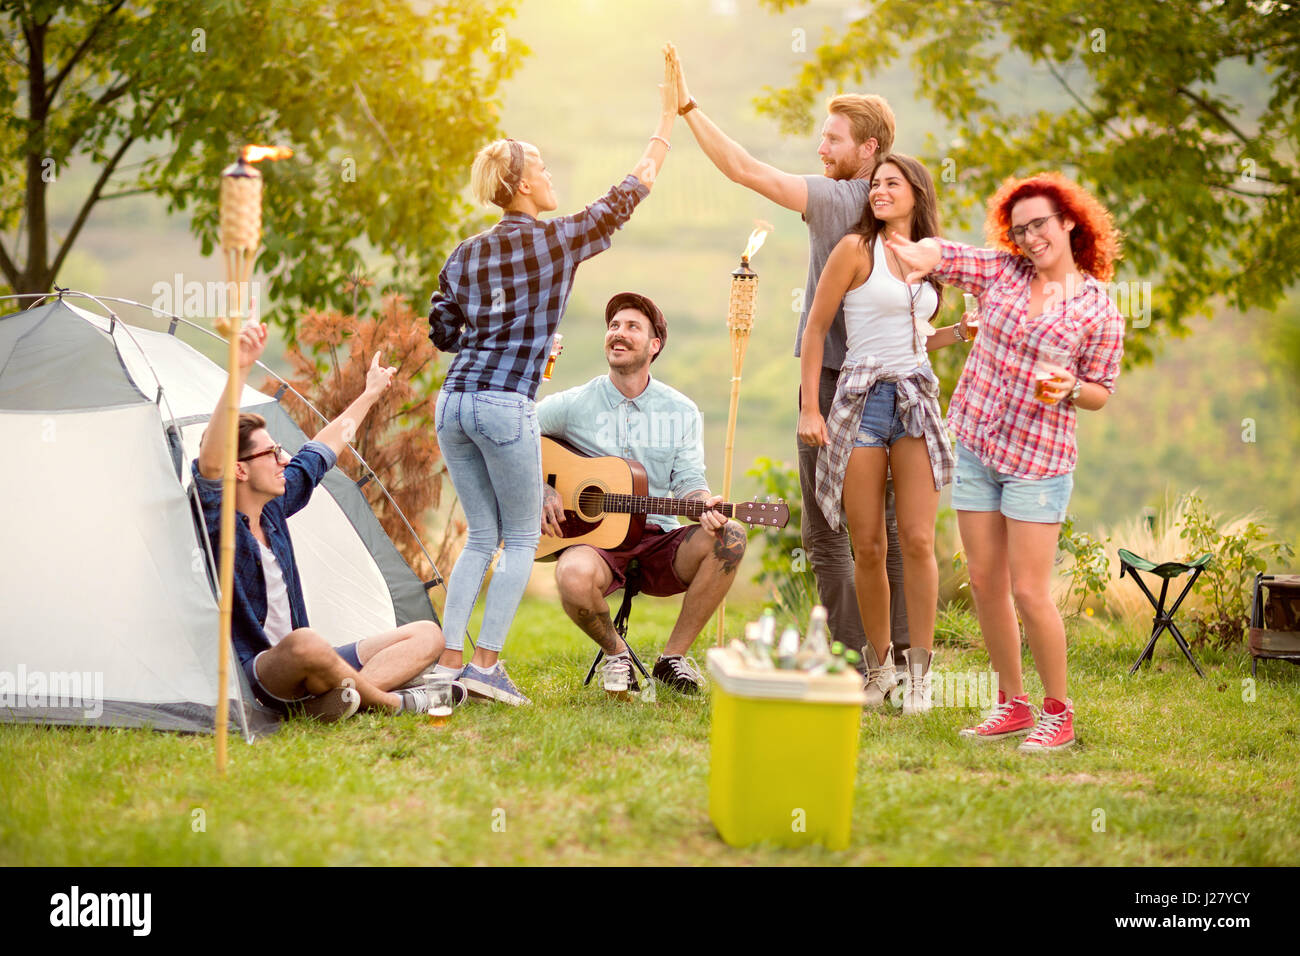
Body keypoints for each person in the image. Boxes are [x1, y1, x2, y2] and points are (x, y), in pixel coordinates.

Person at [426, 52, 677, 706]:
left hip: (452, 403)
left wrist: (512, 339)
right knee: (514, 540)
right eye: (539, 166)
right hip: (505, 406)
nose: (548, 173)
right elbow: (632, 191)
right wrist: (666, 123)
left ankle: (447, 667)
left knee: (478, 537)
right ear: (520, 183)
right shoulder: (556, 240)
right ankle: (483, 667)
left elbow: (443, 332)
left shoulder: (467, 251)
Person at [666, 43, 908, 672]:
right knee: (886, 532)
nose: (821, 149)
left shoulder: (836, 201)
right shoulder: (906, 210)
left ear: (869, 149)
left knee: (825, 535)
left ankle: (860, 663)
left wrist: (687, 107)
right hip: (893, 388)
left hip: (832, 388)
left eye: (833, 139)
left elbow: (744, 168)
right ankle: (903, 658)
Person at [886, 171, 1124, 750]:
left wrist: (1069, 386)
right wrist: (918, 252)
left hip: (1038, 461)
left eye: (1040, 223)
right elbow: (949, 255)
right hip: (975, 446)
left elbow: (1101, 390)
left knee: (1029, 590)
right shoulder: (1004, 272)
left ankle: (1058, 713)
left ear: (1069, 221)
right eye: (1020, 229)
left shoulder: (1098, 309)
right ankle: (1011, 704)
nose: (1031, 237)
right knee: (987, 581)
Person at [194, 322, 449, 722]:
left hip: (314, 663)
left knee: (428, 634)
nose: (284, 460)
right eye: (271, 454)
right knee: (304, 643)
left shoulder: (274, 509)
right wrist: (239, 370)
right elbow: (211, 461)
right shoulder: (218, 523)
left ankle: (334, 701)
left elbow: (321, 449)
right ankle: (391, 703)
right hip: (263, 672)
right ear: (239, 470)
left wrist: (370, 394)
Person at [798, 155, 971, 713]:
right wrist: (810, 409)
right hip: (860, 400)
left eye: (891, 184)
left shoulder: (928, 258)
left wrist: (957, 332)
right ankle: (880, 669)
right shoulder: (855, 249)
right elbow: (817, 329)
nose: (878, 191)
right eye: (875, 184)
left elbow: (917, 338)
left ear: (918, 193)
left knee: (918, 540)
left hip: (915, 399)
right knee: (867, 543)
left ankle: (920, 672)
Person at [538, 292, 746, 696]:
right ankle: (617, 657)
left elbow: (689, 479)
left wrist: (704, 503)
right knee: (571, 576)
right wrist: (540, 485)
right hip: (598, 546)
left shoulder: (681, 410)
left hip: (658, 539)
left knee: (732, 536)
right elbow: (514, 431)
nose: (619, 333)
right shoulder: (574, 402)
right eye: (614, 326)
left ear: (654, 345)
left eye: (632, 326)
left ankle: (673, 659)